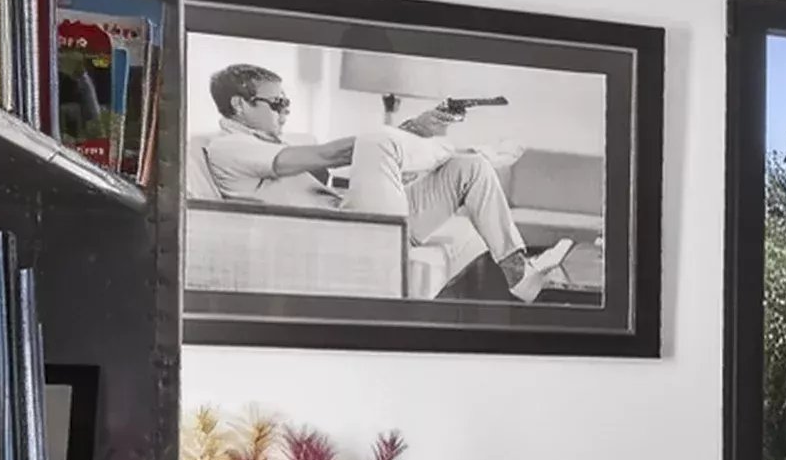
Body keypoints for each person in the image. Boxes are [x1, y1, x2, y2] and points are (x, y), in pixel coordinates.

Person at [345, 94, 574, 305]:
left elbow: (364, 152)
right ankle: (472, 152)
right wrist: (421, 133)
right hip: (355, 221)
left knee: (473, 167)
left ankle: (517, 271)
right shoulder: (368, 142)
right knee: (377, 142)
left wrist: (416, 128)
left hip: (363, 202)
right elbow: (344, 152)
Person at [196, 63, 352, 204]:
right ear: (239, 104)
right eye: (277, 103)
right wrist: (365, 144)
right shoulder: (230, 146)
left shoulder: (263, 141)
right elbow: (329, 156)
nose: (286, 110)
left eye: (285, 102)